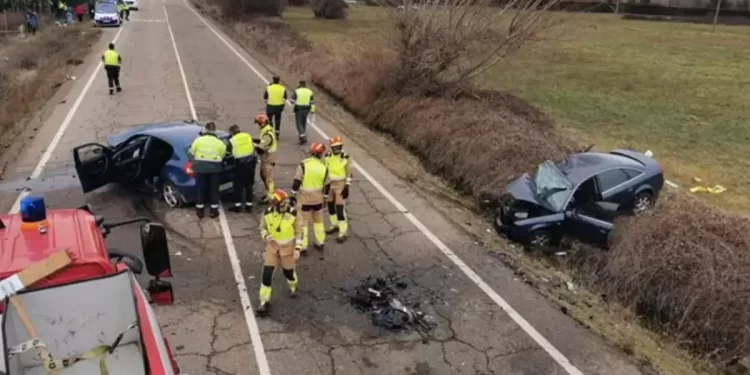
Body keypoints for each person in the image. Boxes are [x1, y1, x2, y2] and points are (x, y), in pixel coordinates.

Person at [256, 189, 299, 316]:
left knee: (288, 273)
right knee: (266, 274)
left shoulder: (293, 214)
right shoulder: (267, 213)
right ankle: (264, 301)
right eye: (281, 204)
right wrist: (266, 236)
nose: (284, 206)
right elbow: (262, 228)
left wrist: (297, 248)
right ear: (274, 204)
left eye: (285, 203)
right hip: (272, 248)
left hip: (287, 249)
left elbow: (299, 232)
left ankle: (293, 284)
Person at [290, 142, 328, 256]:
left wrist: (292, 195)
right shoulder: (324, 167)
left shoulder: (303, 165)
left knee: (303, 223)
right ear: (320, 154)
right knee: (318, 222)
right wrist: (325, 198)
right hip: (318, 199)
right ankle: (320, 242)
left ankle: (303, 246)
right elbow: (327, 185)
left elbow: (297, 181)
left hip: (305, 199)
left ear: (311, 152)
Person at [188, 122, 227, 219]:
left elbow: (191, 152)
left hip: (200, 168)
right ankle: (213, 212)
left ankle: (200, 211)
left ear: (205, 130)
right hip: (214, 169)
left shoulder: (198, 140)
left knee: (200, 189)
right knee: (214, 190)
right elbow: (222, 155)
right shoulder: (220, 143)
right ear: (215, 131)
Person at [323, 136, 352, 243]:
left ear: (341, 146)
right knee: (330, 207)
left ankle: (343, 231)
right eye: (334, 147)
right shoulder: (327, 157)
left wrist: (347, 186)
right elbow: (325, 172)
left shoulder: (345, 157)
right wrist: (324, 187)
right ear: (331, 148)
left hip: (340, 185)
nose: (337, 149)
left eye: (338, 147)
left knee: (340, 209)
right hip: (330, 184)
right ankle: (334, 225)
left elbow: (349, 172)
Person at [227, 124, 256, 213]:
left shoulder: (232, 140)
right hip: (250, 164)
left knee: (237, 187)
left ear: (231, 133)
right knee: (249, 186)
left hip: (239, 166)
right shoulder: (247, 136)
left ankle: (237, 207)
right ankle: (249, 207)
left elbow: (228, 153)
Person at [252, 114, 277, 205]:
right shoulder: (266, 131)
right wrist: (253, 140)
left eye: (258, 123)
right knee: (263, 176)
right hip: (266, 158)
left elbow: (261, 148)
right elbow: (261, 141)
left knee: (268, 178)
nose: (258, 125)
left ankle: (271, 196)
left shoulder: (267, 134)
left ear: (262, 123)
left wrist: (253, 145)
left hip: (268, 158)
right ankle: (269, 193)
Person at [291, 80, 314, 145]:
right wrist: (312, 111)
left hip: (299, 109)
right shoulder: (310, 92)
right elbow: (312, 102)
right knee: (304, 122)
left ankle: (302, 136)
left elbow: (292, 100)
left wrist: (294, 106)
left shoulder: (297, 91)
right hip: (307, 109)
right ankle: (302, 136)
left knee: (299, 123)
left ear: (299, 84)